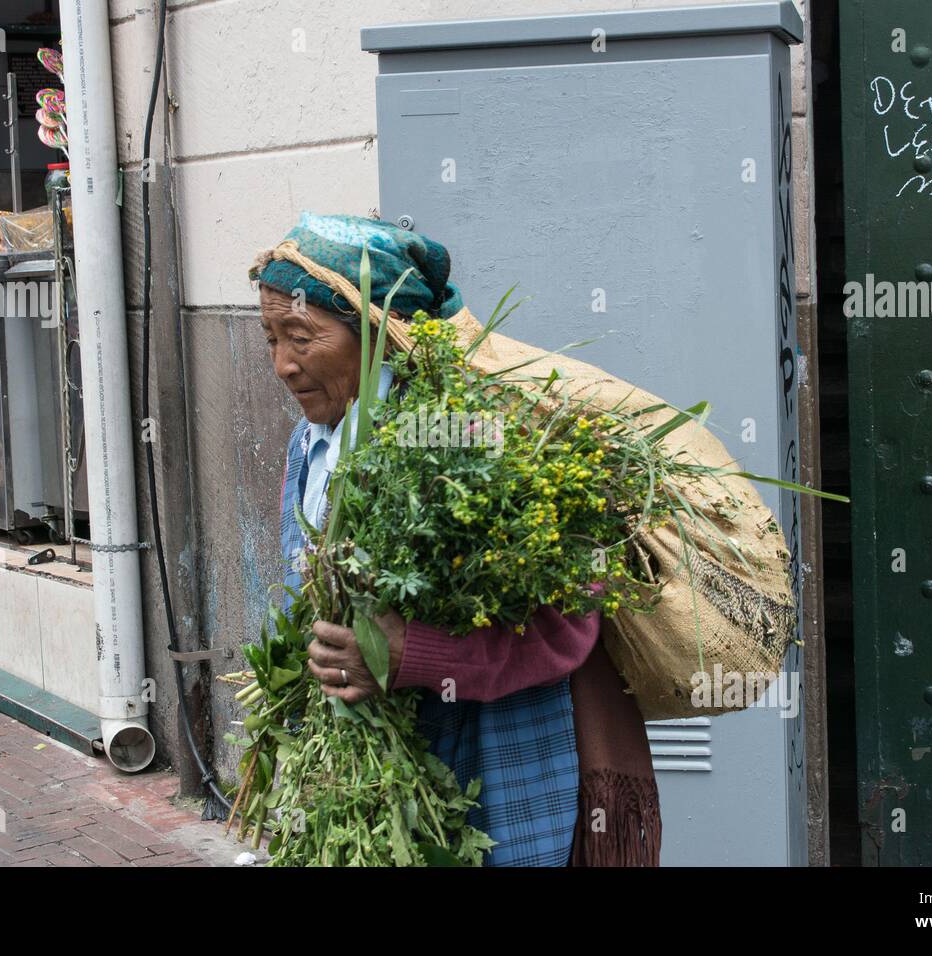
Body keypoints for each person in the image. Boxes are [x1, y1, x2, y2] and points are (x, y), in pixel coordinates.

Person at [251, 211, 660, 866]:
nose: (281, 365)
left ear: (381, 333)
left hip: (493, 776)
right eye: (270, 337)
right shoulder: (311, 444)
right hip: (372, 792)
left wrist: (405, 653)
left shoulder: (481, 436)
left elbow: (567, 629)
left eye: (300, 336)